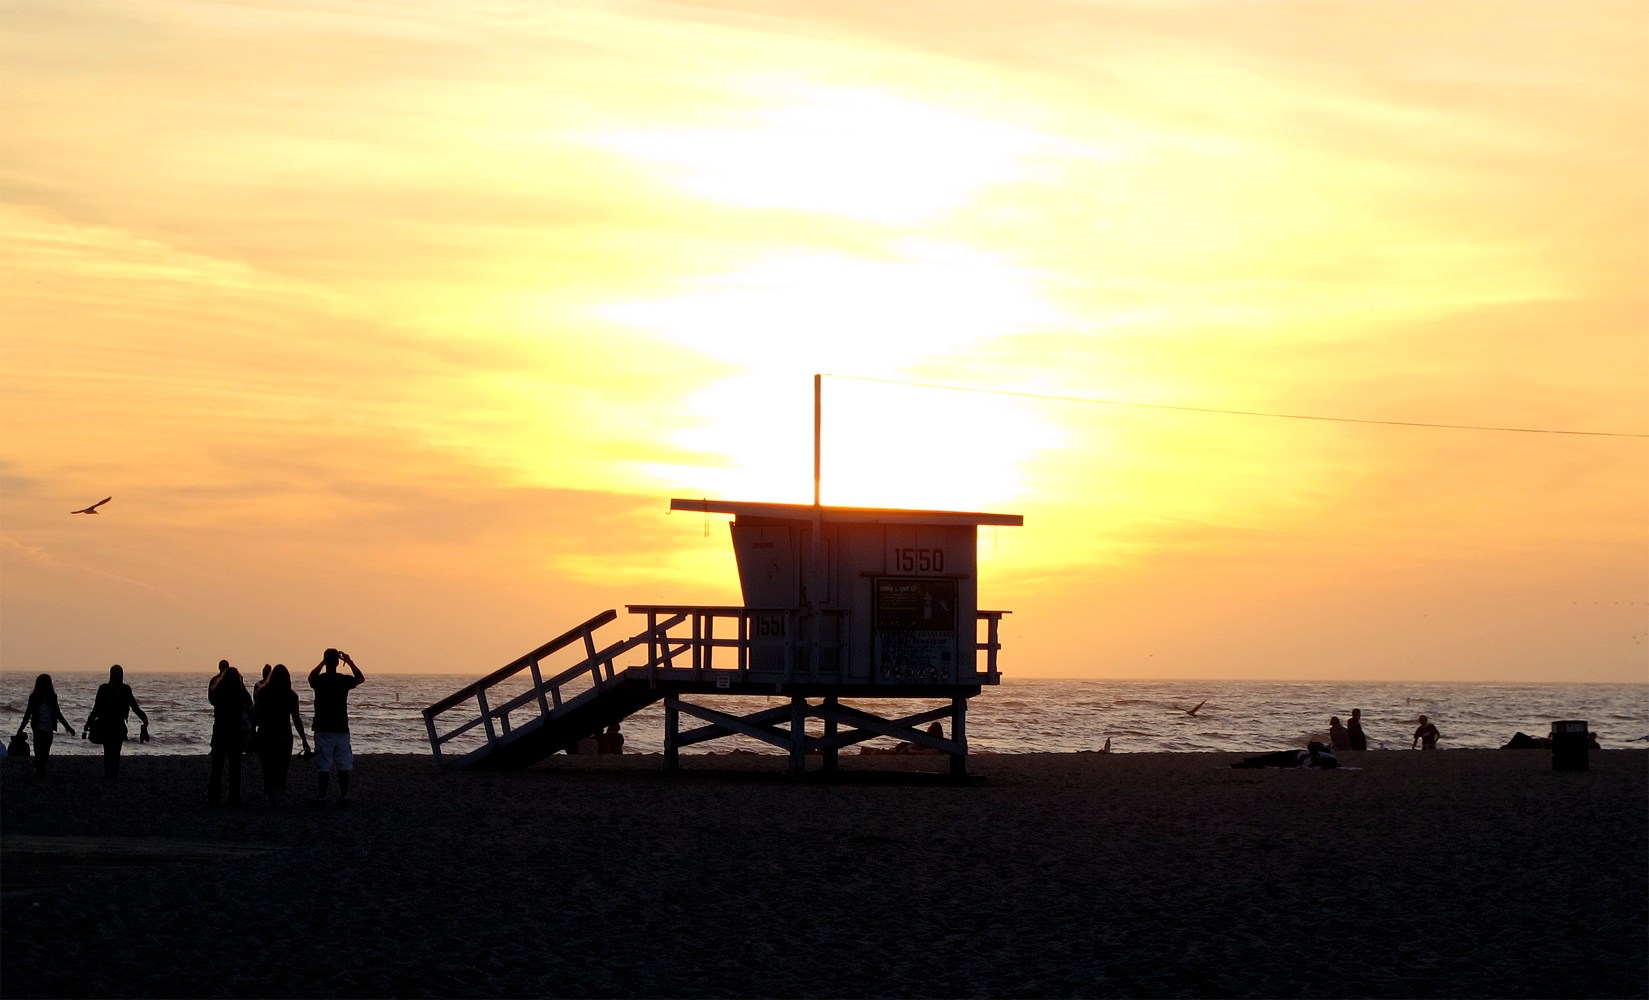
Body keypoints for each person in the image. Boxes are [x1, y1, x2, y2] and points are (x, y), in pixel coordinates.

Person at [308, 648, 363, 803]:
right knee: (343, 764)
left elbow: (311, 677)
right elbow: (360, 678)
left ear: (326, 662)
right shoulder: (343, 680)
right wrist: (350, 662)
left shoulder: (320, 681)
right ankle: (344, 796)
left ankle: (322, 797)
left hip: (323, 727)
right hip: (340, 727)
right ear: (338, 663)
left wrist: (322, 662)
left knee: (324, 764)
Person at [252, 664, 309, 807]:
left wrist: (252, 733)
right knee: (282, 767)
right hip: (284, 736)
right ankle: (280, 793)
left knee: (268, 768)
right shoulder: (291, 696)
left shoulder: (262, 693)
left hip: (265, 735)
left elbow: (255, 715)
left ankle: (270, 795)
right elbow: (296, 719)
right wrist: (303, 739)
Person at [84, 664, 149, 781]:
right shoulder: (121, 689)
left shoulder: (108, 689)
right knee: (113, 751)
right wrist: (144, 720)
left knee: (109, 751)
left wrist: (89, 723)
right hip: (113, 725)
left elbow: (96, 708)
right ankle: (112, 775)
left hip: (111, 725)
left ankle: (110, 775)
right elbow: (134, 707)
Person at [208, 665, 251, 807]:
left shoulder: (217, 690)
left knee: (217, 767)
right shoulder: (240, 692)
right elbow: (249, 703)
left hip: (220, 730)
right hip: (235, 731)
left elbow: (212, 700)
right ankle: (234, 797)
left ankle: (214, 798)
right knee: (235, 767)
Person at [17, 674, 75, 777]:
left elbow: (57, 713)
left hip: (47, 728)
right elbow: (28, 714)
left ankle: (41, 771)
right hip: (39, 729)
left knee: (43, 752)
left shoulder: (52, 697)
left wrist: (68, 727)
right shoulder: (34, 697)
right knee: (40, 751)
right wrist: (20, 728)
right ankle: (40, 771)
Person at [1232, 741, 1340, 769]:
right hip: (1296, 754)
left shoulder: (1315, 764)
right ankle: (1252, 760)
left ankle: (1250, 763)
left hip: (1293, 759)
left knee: (1273, 761)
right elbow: (1313, 747)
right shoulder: (1326, 755)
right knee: (1274, 757)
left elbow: (1302, 766)